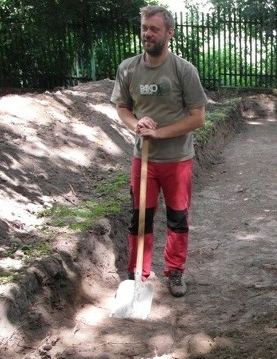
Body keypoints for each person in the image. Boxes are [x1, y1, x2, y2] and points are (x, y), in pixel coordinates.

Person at [111, 5, 208, 297]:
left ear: (169, 33)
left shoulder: (183, 70)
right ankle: (137, 273)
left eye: (154, 29)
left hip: (177, 161)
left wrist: (159, 132)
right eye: (144, 28)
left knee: (177, 218)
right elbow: (122, 108)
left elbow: (198, 117)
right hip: (144, 160)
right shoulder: (128, 68)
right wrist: (136, 124)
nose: (147, 34)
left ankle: (175, 272)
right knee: (140, 217)